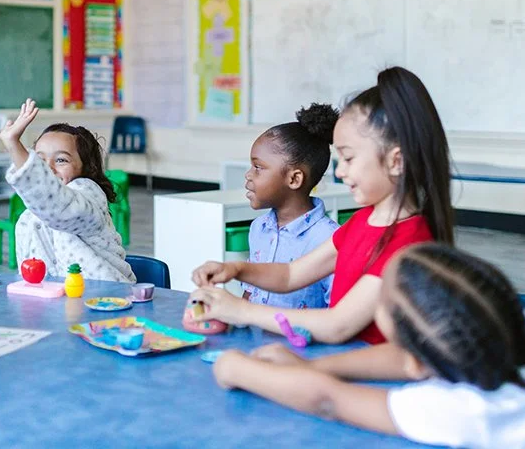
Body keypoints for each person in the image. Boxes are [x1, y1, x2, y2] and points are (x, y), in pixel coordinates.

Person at [212, 244, 525, 448]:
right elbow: (407, 357)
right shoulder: (519, 326)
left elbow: (329, 400)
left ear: (416, 364)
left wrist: (235, 367)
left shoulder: (462, 410)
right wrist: (312, 366)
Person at [190, 66, 453, 344]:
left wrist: (242, 311)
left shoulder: (408, 243)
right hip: (344, 357)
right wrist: (236, 270)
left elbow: (337, 325)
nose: (339, 173)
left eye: (349, 159)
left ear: (396, 161)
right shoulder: (362, 222)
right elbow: (291, 274)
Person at [0, 99, 135, 283]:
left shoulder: (89, 195)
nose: (48, 168)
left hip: (107, 299)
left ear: (87, 168)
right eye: (40, 160)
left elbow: (58, 207)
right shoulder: (28, 219)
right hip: (58, 304)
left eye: (61, 160)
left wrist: (14, 144)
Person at [241, 103, 340, 309]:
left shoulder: (329, 240)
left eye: (258, 167)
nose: (248, 175)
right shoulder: (258, 228)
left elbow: (338, 313)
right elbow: (250, 292)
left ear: (294, 179)